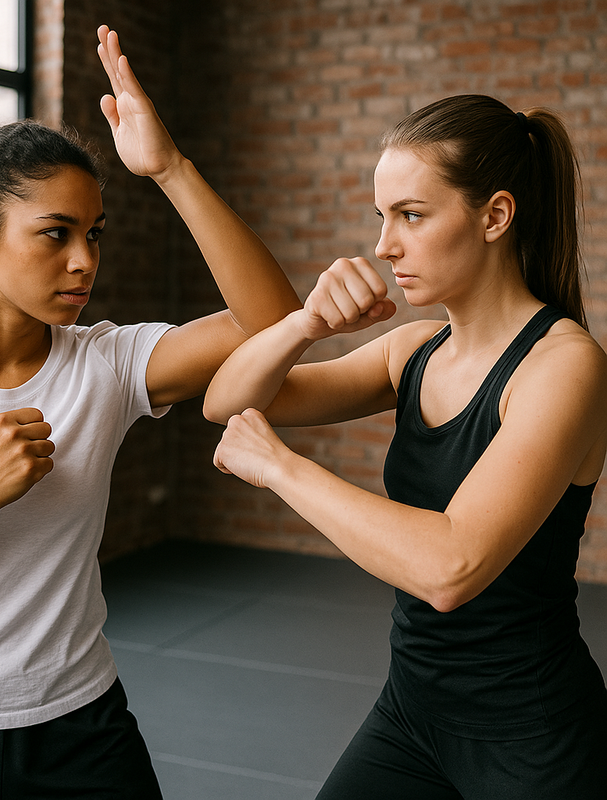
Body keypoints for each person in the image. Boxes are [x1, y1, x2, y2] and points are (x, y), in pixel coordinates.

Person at [0, 25, 299, 799]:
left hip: (76, 725)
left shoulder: (106, 363)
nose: (84, 261)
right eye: (56, 234)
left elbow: (274, 322)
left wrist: (169, 169)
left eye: (94, 235)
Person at [205, 95, 607, 799]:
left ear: (495, 216)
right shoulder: (414, 349)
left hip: (533, 737)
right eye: (381, 217)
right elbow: (227, 400)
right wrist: (305, 324)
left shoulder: (564, 366)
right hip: (412, 712)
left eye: (411, 215)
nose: (385, 245)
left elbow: (451, 567)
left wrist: (280, 468)